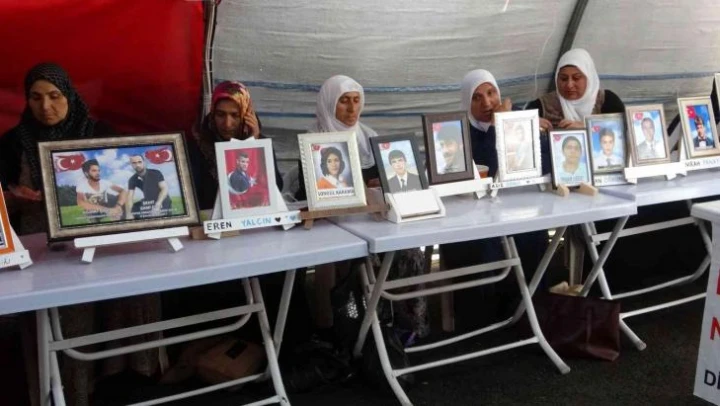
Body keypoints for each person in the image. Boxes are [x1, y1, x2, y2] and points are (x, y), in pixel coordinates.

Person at [0, 63, 160, 406]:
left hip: (101, 235)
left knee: (130, 297)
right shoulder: (14, 142)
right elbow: (2, 198)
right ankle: (69, 393)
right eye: (35, 97)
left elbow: (124, 180)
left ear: (70, 96)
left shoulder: (98, 131)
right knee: (67, 317)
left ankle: (126, 381)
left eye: (54, 96)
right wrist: (13, 197)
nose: (45, 106)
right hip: (42, 244)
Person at [438, 69, 550, 326]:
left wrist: (514, 125)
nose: (487, 103)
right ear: (467, 102)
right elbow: (487, 168)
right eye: (476, 98)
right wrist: (495, 128)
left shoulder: (515, 118)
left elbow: (543, 159)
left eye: (491, 93)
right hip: (470, 215)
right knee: (486, 245)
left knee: (532, 232)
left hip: (514, 207)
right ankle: (485, 321)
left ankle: (530, 312)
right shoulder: (456, 133)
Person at [192, 81, 283, 210]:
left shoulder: (260, 143)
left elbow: (276, 187)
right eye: (220, 115)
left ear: (247, 115)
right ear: (212, 113)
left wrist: (254, 145)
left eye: (235, 116)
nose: (227, 124)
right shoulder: (200, 146)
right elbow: (196, 195)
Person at [126, 154, 171, 219]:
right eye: (134, 163)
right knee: (133, 209)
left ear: (144, 162)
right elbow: (129, 197)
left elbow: (164, 188)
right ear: (131, 164)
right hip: (148, 201)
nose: (137, 165)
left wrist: (157, 205)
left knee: (155, 215)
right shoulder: (132, 179)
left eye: (139, 162)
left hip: (162, 199)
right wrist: (129, 213)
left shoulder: (155, 173)